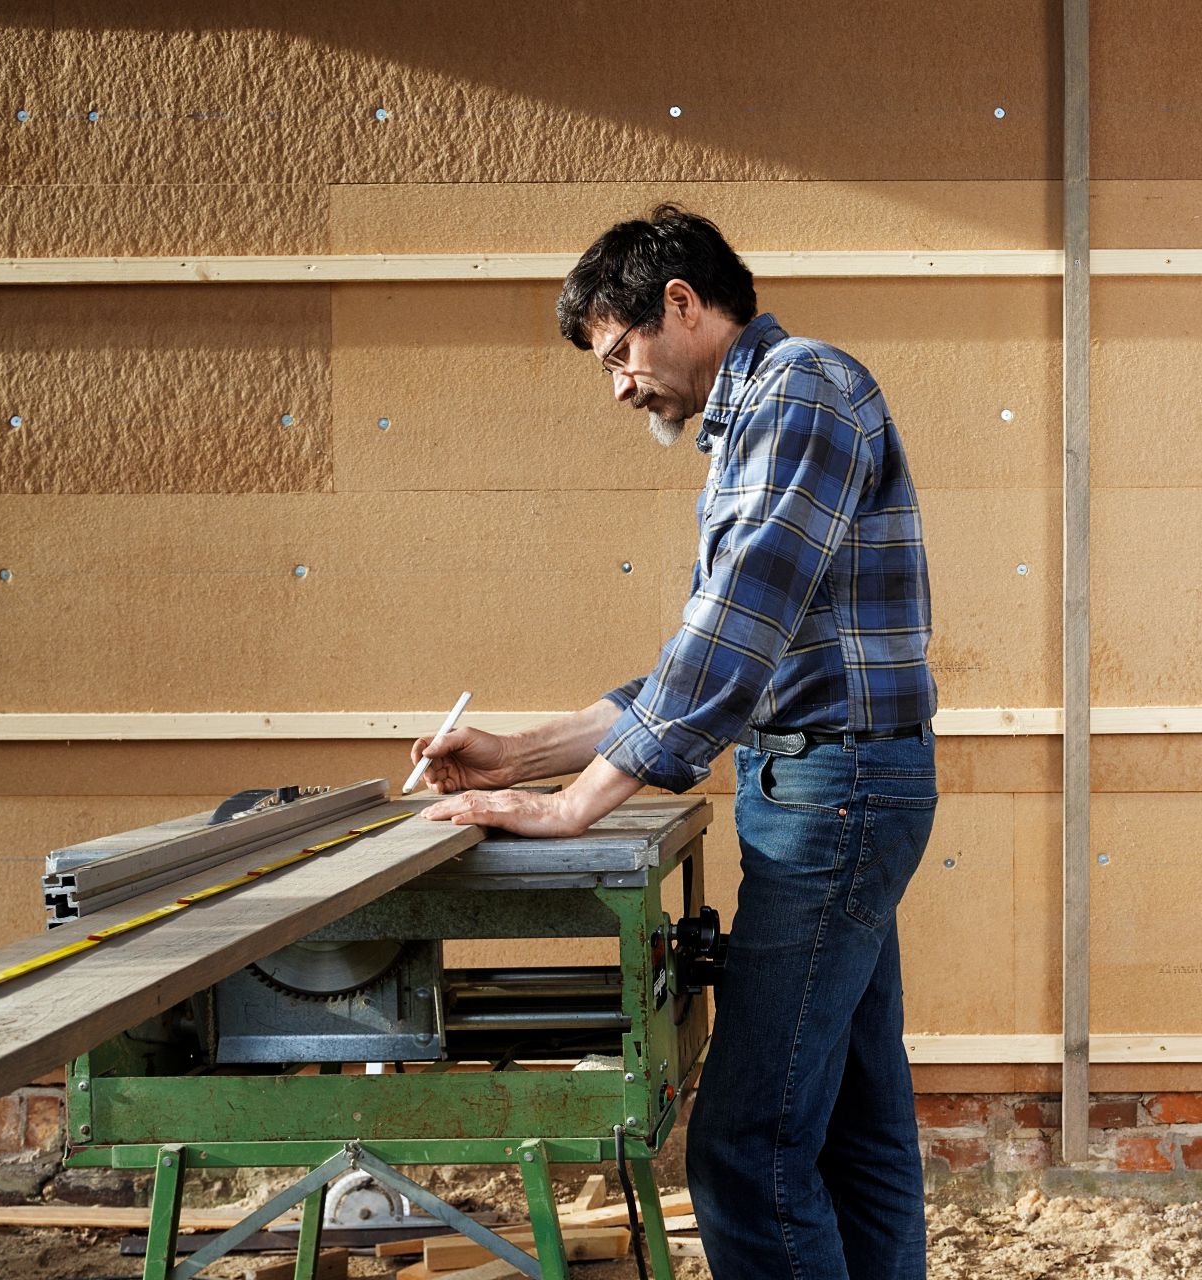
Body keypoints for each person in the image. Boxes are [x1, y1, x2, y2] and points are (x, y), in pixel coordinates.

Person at [414, 205, 939, 1280]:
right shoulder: (760, 419)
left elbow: (729, 645)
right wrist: (517, 755)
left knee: (743, 1146)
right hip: (832, 785)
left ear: (683, 305)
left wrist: (574, 809)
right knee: (853, 1121)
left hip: (836, 792)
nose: (619, 386)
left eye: (620, 354)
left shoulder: (801, 391)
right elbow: (694, 668)